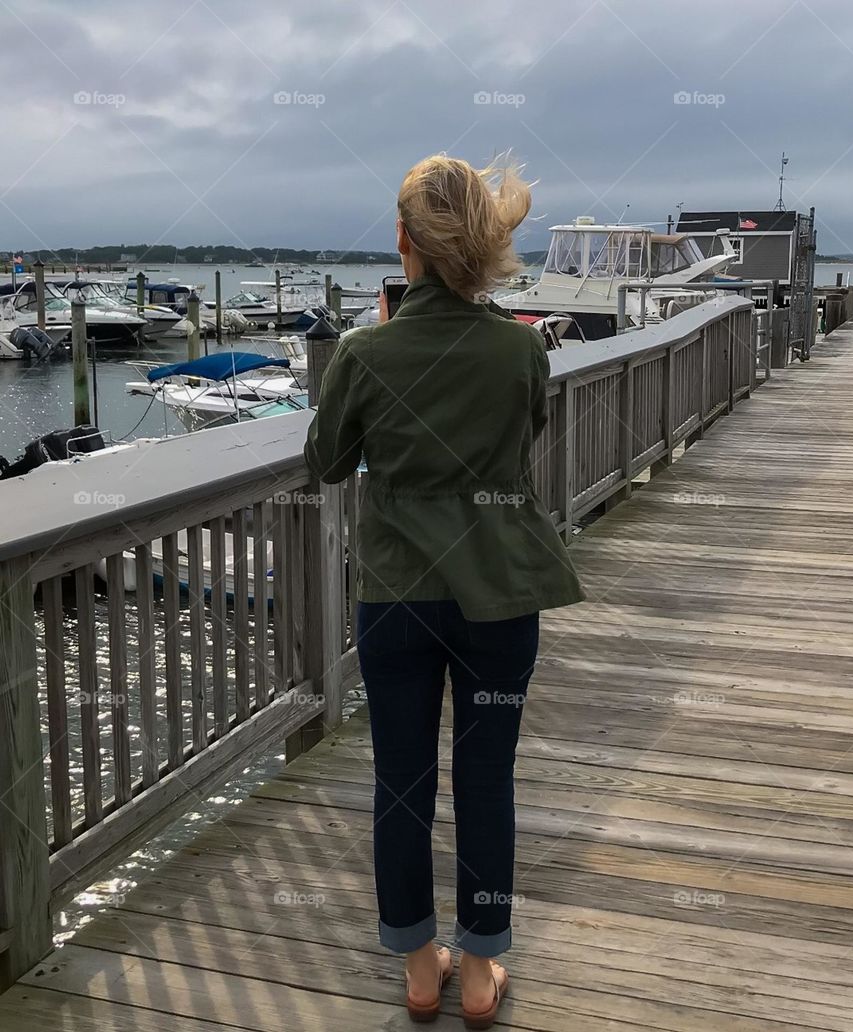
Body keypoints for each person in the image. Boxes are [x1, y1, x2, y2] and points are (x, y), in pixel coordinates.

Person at [305, 154, 584, 1028]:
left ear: (403, 244)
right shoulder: (518, 347)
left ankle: (420, 968)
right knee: (488, 776)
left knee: (401, 782)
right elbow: (520, 440)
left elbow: (324, 461)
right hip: (498, 593)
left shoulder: (366, 351)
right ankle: (479, 973)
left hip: (396, 596)